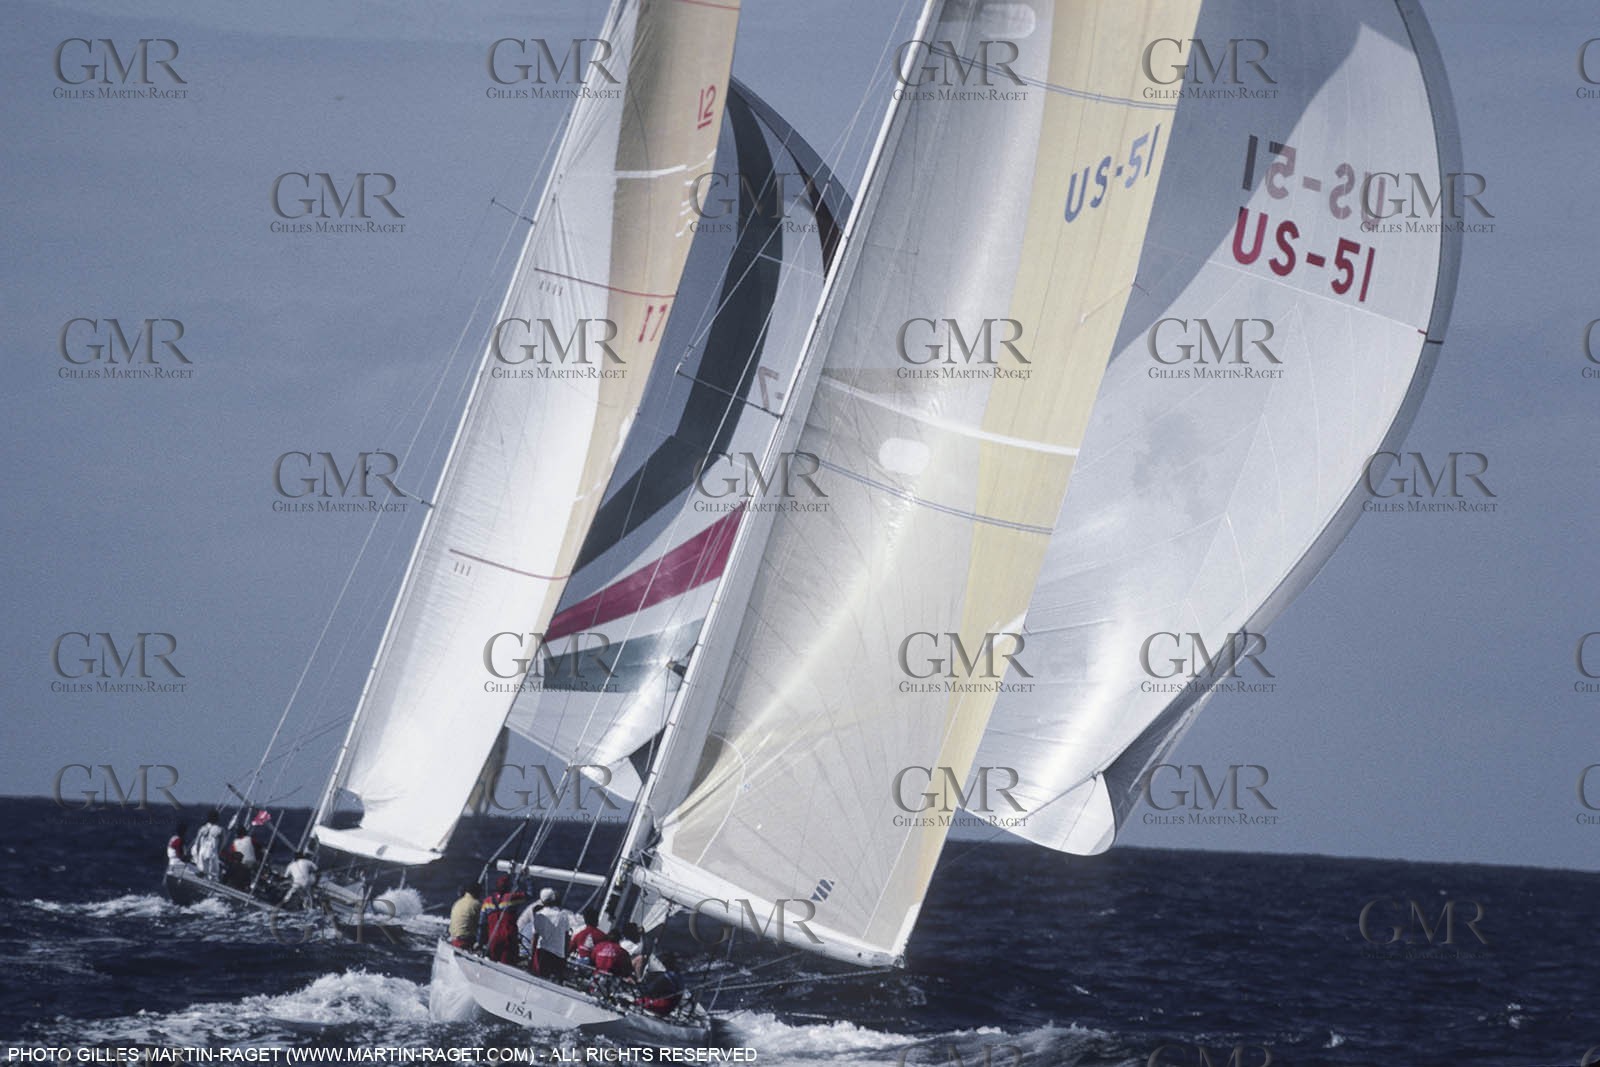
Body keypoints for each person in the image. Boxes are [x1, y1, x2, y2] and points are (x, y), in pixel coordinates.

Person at [478, 875, 527, 964]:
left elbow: (481, 924)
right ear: (509, 886)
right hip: (508, 939)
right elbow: (530, 894)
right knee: (507, 965)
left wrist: (479, 942)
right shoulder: (512, 898)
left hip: (493, 939)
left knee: (492, 964)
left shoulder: (487, 901)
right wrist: (527, 879)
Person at [528, 889, 571, 980]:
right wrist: (565, 956)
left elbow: (535, 938)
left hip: (543, 954)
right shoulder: (563, 915)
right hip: (559, 955)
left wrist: (532, 957)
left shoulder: (539, 915)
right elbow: (567, 937)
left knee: (540, 980)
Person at [637, 952, 685, 1017]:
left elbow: (648, 991)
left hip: (661, 1008)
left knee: (636, 1000)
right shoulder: (678, 975)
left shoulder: (666, 977)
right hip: (669, 1008)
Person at [192, 810, 224, 880]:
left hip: (202, 852)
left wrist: (197, 853)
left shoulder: (202, 828)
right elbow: (222, 844)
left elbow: (197, 843)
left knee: (202, 872)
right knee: (213, 875)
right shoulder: (220, 830)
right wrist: (218, 853)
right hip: (212, 853)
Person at [449, 883, 482, 950]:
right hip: (465, 941)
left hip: (453, 938)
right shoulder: (476, 904)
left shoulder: (457, 902)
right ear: (476, 892)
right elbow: (483, 923)